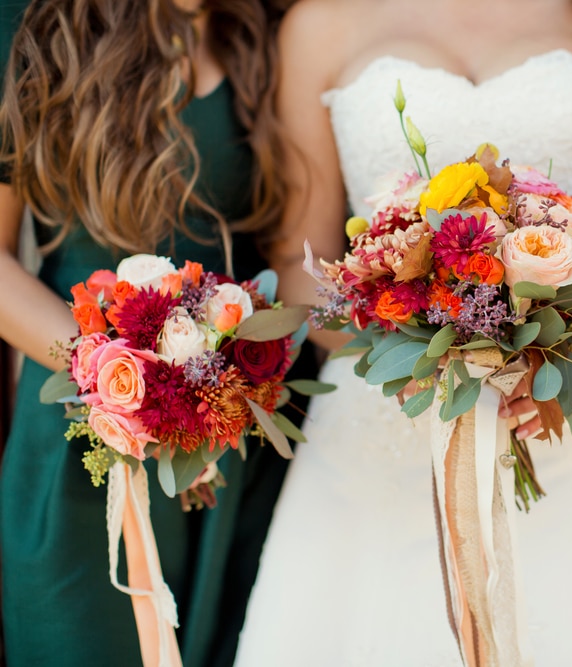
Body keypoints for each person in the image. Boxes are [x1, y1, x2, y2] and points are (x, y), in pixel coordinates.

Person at [234, 0, 572, 664]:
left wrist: (557, 347)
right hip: (382, 444)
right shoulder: (321, 23)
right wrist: (419, 334)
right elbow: (296, 267)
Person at [0, 1, 314, 665]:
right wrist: (118, 377)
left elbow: (295, 252)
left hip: (235, 438)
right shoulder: (31, 25)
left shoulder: (272, 28)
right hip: (81, 435)